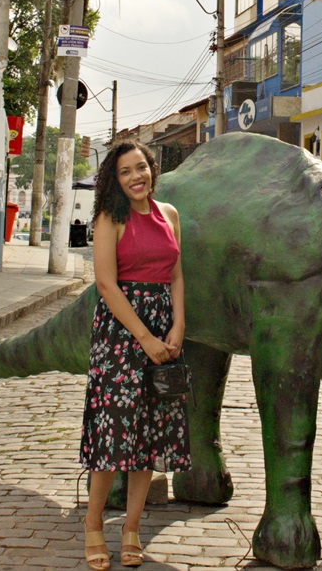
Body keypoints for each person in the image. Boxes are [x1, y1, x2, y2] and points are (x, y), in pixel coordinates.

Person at [79, 140, 191, 570]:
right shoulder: (111, 217)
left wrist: (178, 325)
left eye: (141, 168)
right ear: (115, 179)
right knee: (114, 434)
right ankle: (93, 524)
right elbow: (106, 284)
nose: (136, 177)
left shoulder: (169, 214)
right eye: (126, 172)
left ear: (152, 170)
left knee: (149, 434)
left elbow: (176, 272)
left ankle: (131, 528)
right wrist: (145, 337)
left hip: (164, 326)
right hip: (121, 333)